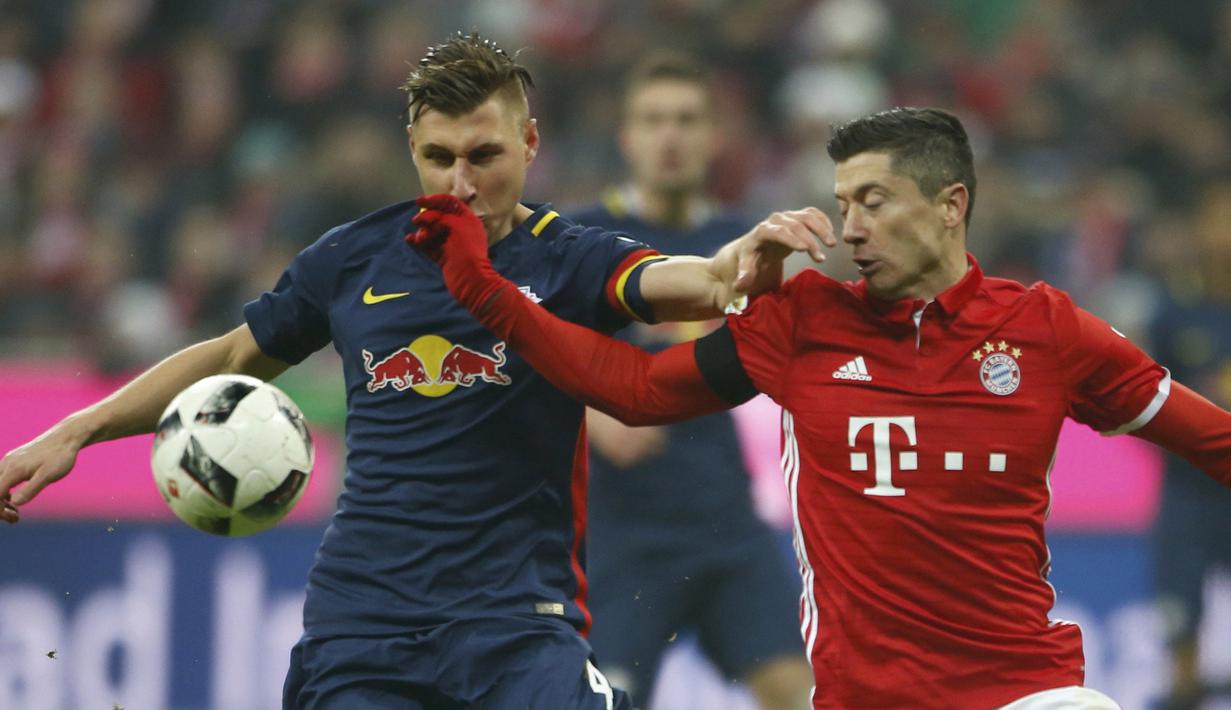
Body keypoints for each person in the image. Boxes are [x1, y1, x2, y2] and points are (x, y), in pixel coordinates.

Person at [0, 33, 832, 710]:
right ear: (412, 147)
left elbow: (677, 280)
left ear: (530, 142)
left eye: (484, 154)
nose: (461, 183)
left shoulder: (568, 258)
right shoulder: (351, 257)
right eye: (438, 157)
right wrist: (75, 431)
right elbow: (225, 358)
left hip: (517, 623)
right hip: (365, 621)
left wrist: (731, 267)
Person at [408, 106, 1231, 710]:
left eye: (874, 201)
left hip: (1023, 693)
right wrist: (485, 292)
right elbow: (630, 389)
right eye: (843, 205)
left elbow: (1210, 439)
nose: (851, 228)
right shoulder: (804, 322)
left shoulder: (1045, 329)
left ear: (950, 205)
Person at [567, 52, 812, 709]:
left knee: (802, 694)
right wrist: (591, 415)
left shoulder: (742, 243)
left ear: (712, 137)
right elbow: (516, 355)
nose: (669, 136)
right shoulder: (579, 240)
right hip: (622, 534)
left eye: (685, 120)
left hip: (723, 521)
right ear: (626, 136)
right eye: (652, 120)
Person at [1149, 182, 1231, 710]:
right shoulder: (1173, 313)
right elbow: (1150, 394)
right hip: (1188, 486)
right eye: (1216, 221)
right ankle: (1183, 681)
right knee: (1178, 589)